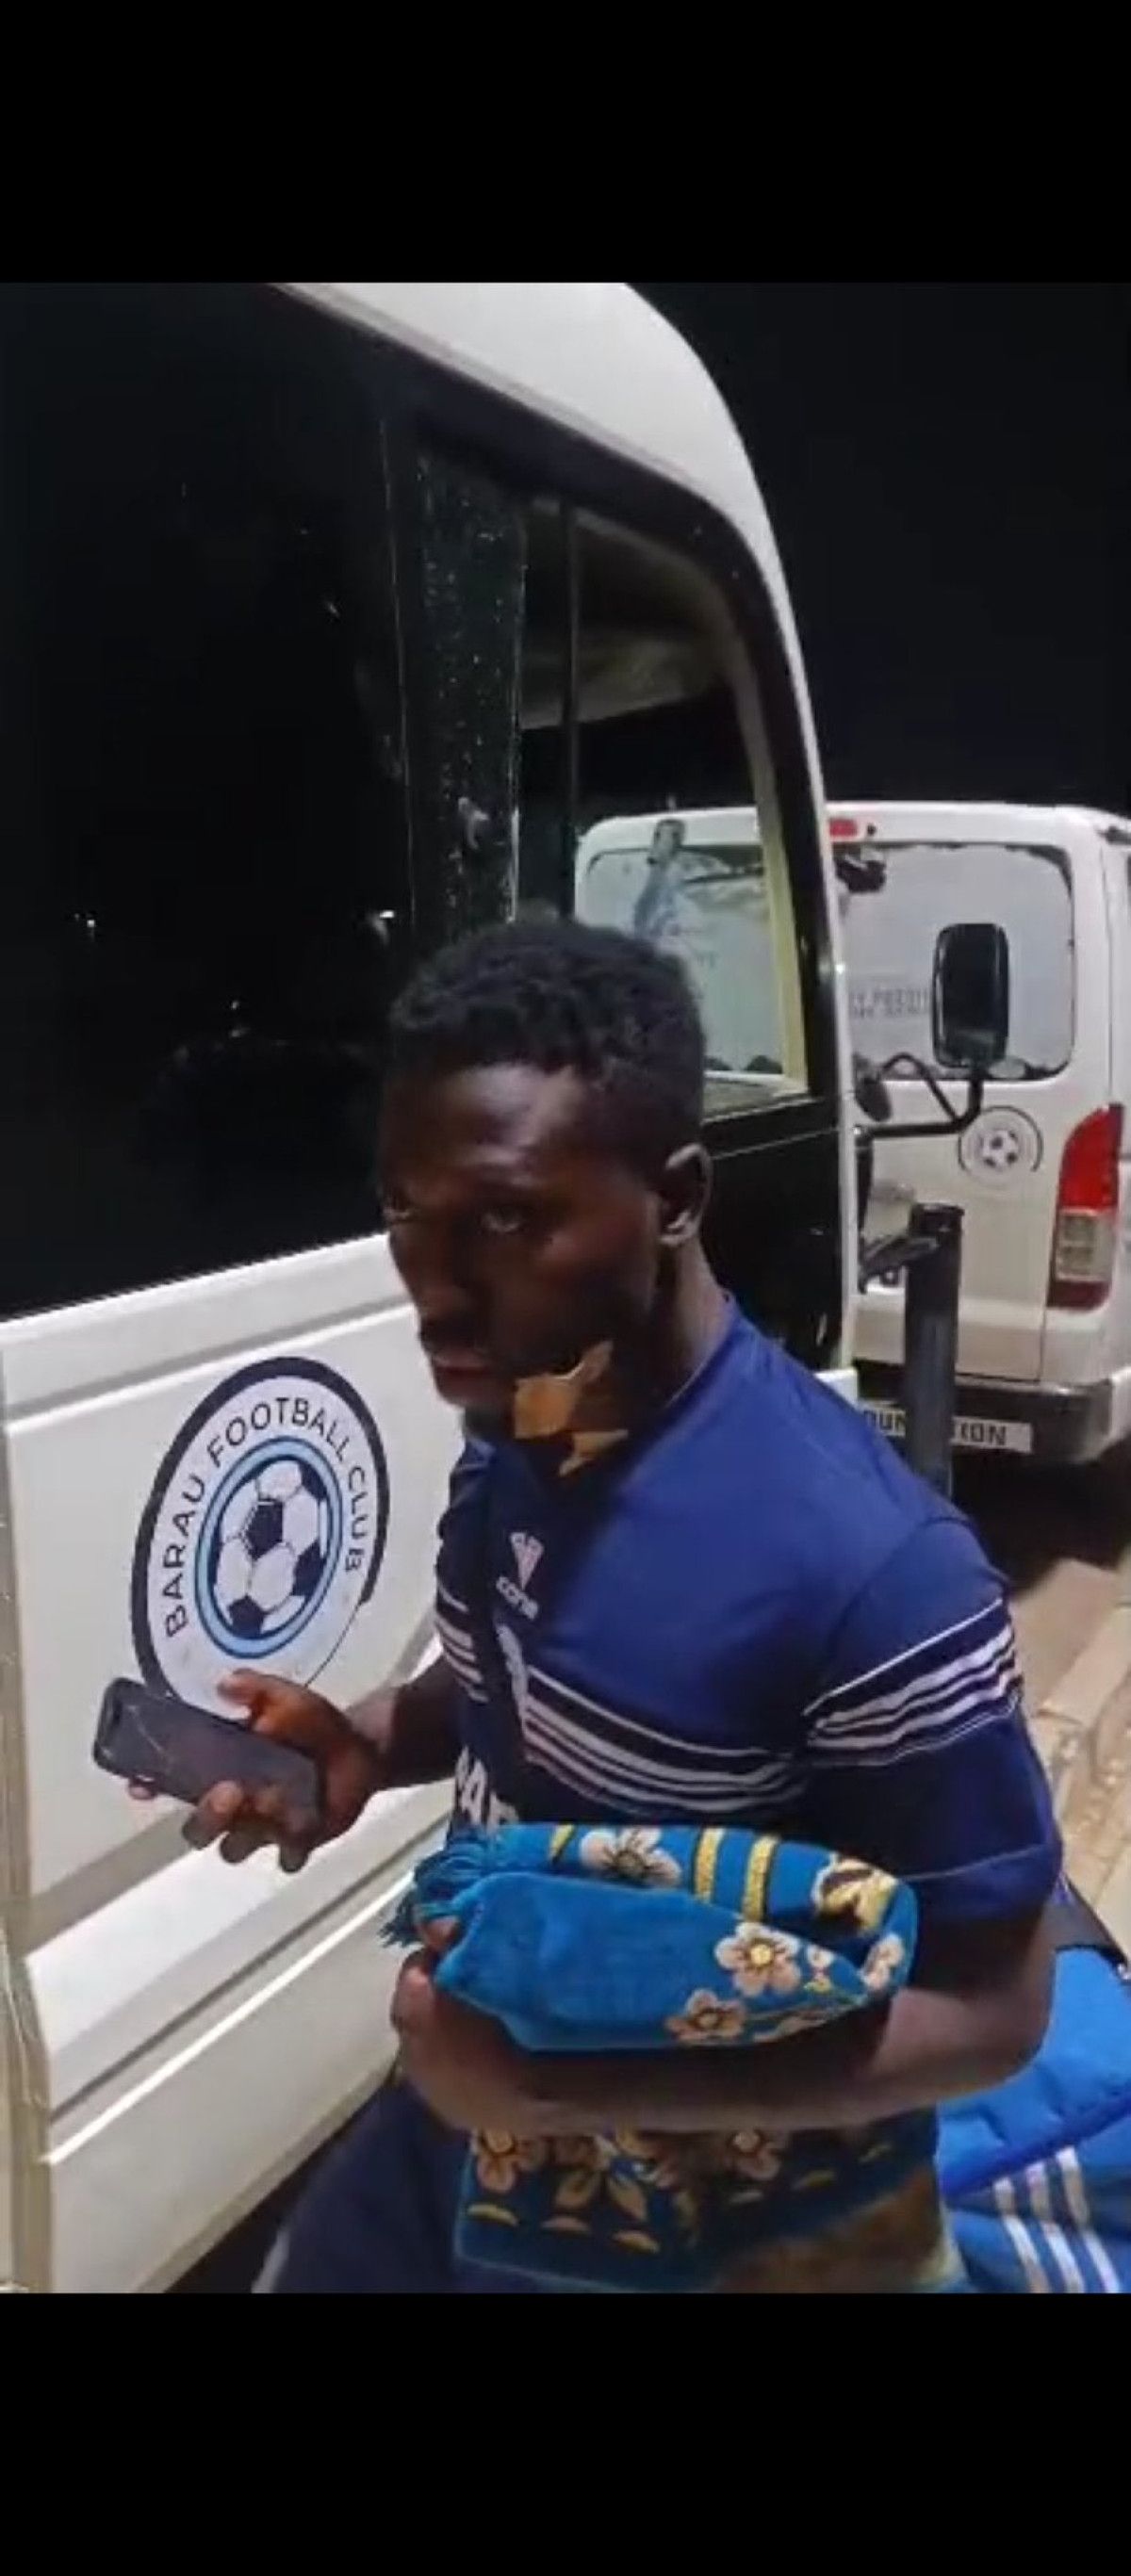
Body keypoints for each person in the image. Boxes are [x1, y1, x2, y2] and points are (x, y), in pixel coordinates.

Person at [183, 918, 1060, 2292]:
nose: (435, 1294)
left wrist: (553, 2087)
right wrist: (363, 1742)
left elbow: (995, 2010)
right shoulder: (535, 1415)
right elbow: (516, 1677)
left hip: (736, 2231)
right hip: (472, 2117)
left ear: (678, 1197)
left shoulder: (874, 1570)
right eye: (407, 1215)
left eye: (506, 1219)